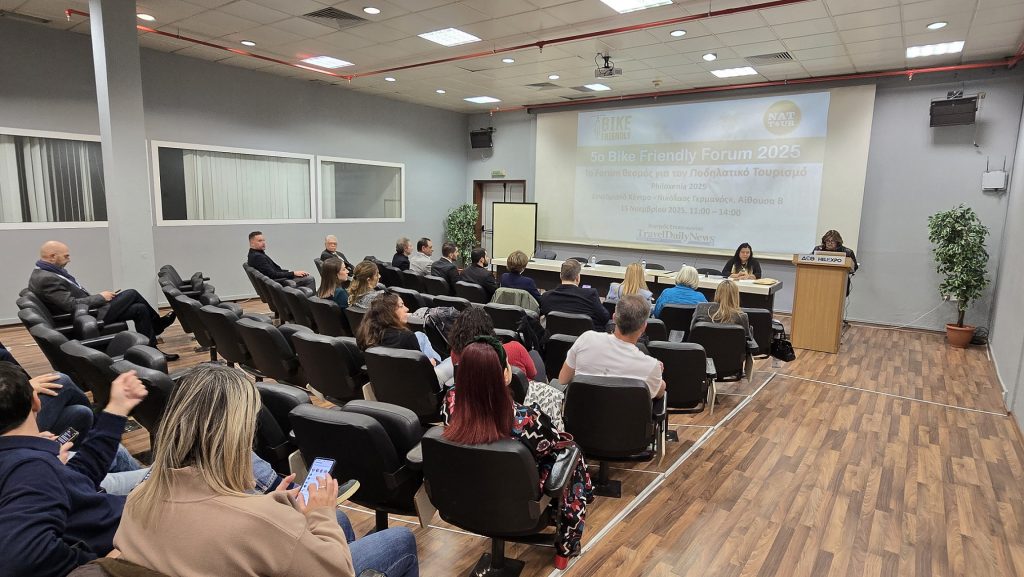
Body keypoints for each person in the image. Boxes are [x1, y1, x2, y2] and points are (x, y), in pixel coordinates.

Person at [114, 364, 419, 577]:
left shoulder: (139, 497)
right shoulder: (260, 522)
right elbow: (340, 572)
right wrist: (322, 514)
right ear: (240, 434)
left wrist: (275, 504)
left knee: (339, 520)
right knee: (400, 539)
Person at [443, 340, 592, 568]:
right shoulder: (525, 420)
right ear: (505, 375)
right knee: (572, 456)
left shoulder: (450, 402)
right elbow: (555, 444)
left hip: (465, 496)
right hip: (517, 501)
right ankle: (566, 546)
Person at [0, 363, 148, 576]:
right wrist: (99, 563)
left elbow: (81, 478)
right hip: (136, 534)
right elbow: (19, 559)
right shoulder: (31, 468)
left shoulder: (29, 464)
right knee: (179, 475)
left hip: (113, 516)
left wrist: (116, 410)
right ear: (36, 401)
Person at [29, 241, 178, 360]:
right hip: (85, 320)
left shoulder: (47, 273)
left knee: (140, 309)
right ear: (52, 256)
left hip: (87, 314)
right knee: (131, 293)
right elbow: (70, 305)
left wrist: (100, 297)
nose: (69, 259)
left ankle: (152, 351)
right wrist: (100, 297)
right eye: (66, 256)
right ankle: (158, 324)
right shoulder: (47, 278)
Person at [558, 295, 666, 399]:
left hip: (579, 411)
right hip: (624, 412)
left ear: (614, 318)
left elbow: (563, 379)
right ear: (644, 327)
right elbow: (660, 392)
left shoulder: (586, 339)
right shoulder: (651, 366)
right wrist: (655, 372)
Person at [356, 292, 448, 382]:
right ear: (390, 312)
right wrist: (429, 364)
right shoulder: (406, 337)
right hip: (417, 383)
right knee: (452, 361)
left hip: (386, 382)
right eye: (402, 305)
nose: (407, 309)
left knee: (420, 336)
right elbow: (418, 371)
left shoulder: (365, 336)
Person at [447, 307, 537, 380]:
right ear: (489, 328)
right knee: (534, 353)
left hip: (473, 395)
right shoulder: (515, 348)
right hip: (516, 395)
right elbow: (532, 374)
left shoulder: (455, 353)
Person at [539, 259, 609, 331]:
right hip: (584, 336)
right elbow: (605, 318)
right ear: (578, 278)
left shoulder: (546, 297)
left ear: (560, 276)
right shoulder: (590, 295)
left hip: (556, 337)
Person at [247, 231, 315, 291]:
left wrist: (292, 273)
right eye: (260, 241)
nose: (263, 243)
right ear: (252, 243)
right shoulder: (258, 257)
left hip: (275, 281)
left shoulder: (254, 254)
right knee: (309, 279)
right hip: (279, 283)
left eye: (263, 240)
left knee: (303, 276)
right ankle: (311, 301)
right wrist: (293, 273)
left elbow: (272, 272)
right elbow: (273, 275)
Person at [691, 280, 755, 343]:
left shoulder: (701, 307)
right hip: (731, 349)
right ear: (736, 296)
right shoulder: (742, 316)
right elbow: (746, 340)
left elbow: (692, 330)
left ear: (716, 293)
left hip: (702, 348)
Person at [814, 229, 858, 295]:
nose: (829, 243)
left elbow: (854, 267)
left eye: (832, 241)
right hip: (820, 281)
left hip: (839, 282)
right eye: (827, 241)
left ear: (838, 242)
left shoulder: (848, 252)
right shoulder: (817, 250)